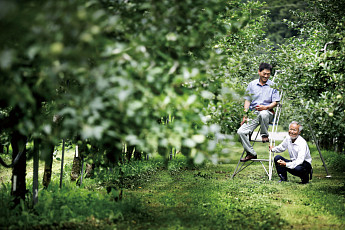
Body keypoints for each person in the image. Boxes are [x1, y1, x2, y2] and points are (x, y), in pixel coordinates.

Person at [237, 63, 280, 162]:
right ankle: (251, 153)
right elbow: (247, 100)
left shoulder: (273, 86)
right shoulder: (252, 85)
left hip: (267, 113)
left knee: (263, 113)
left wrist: (266, 107)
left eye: (268, 74)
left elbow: (276, 102)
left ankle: (264, 135)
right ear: (259, 72)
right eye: (264, 73)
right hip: (254, 114)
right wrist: (245, 116)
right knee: (241, 132)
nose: (266, 76)